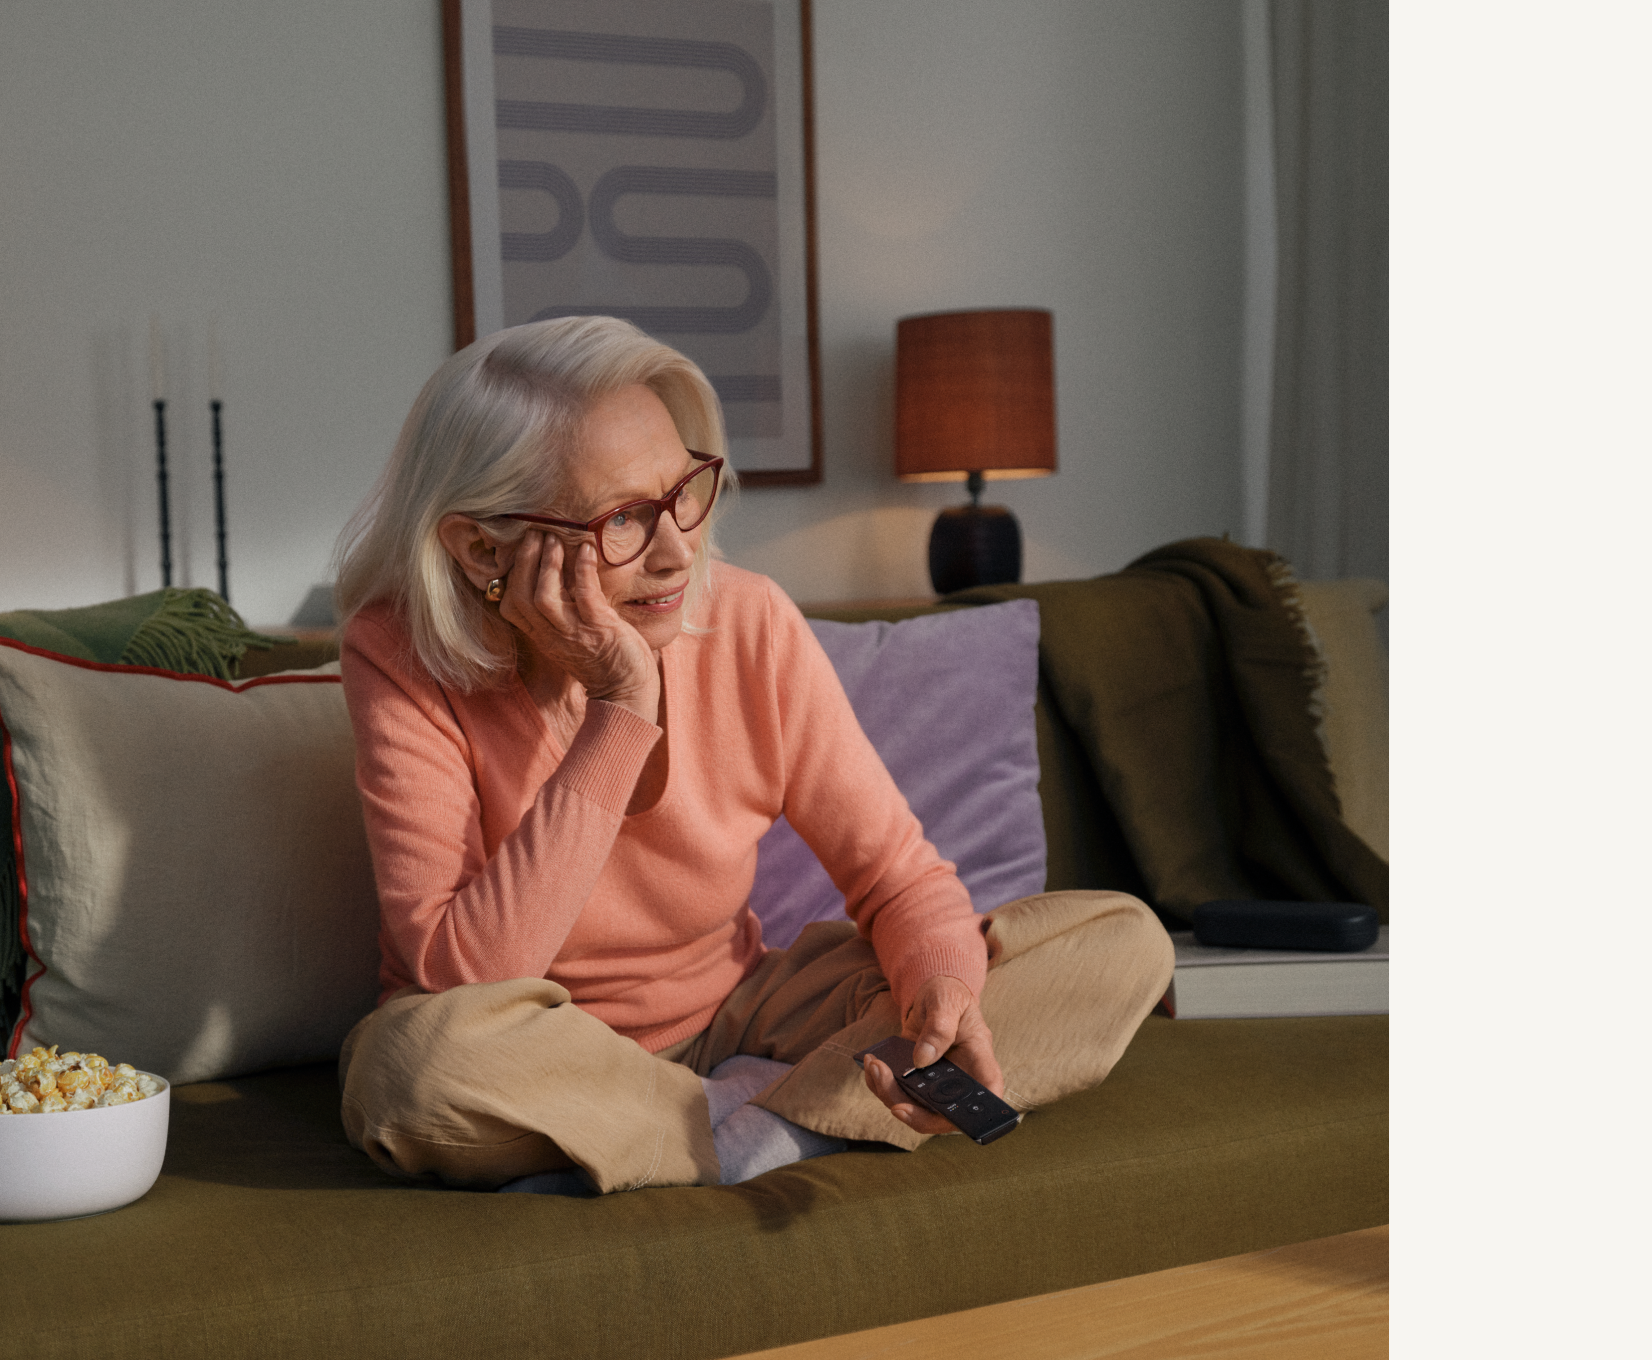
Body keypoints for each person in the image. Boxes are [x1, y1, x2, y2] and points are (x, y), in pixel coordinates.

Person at [325, 315, 1170, 1192]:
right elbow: (466, 977)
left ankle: (696, 1133)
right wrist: (620, 708)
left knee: (1122, 943)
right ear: (481, 548)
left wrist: (941, 995)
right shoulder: (398, 654)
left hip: (741, 1012)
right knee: (415, 1072)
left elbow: (899, 880)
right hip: (534, 1044)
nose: (677, 549)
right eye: (623, 519)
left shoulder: (751, 621)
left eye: (683, 490)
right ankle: (771, 1122)